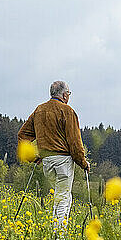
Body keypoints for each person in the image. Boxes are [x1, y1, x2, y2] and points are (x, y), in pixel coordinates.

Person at [17, 80, 90, 230]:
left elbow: (22, 134)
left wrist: (33, 157)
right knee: (64, 198)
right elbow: (75, 143)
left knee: (60, 196)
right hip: (63, 161)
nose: (68, 97)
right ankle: (59, 236)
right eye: (68, 94)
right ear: (64, 95)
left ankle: (54, 230)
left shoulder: (39, 110)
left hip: (47, 162)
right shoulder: (68, 111)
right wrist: (83, 163)